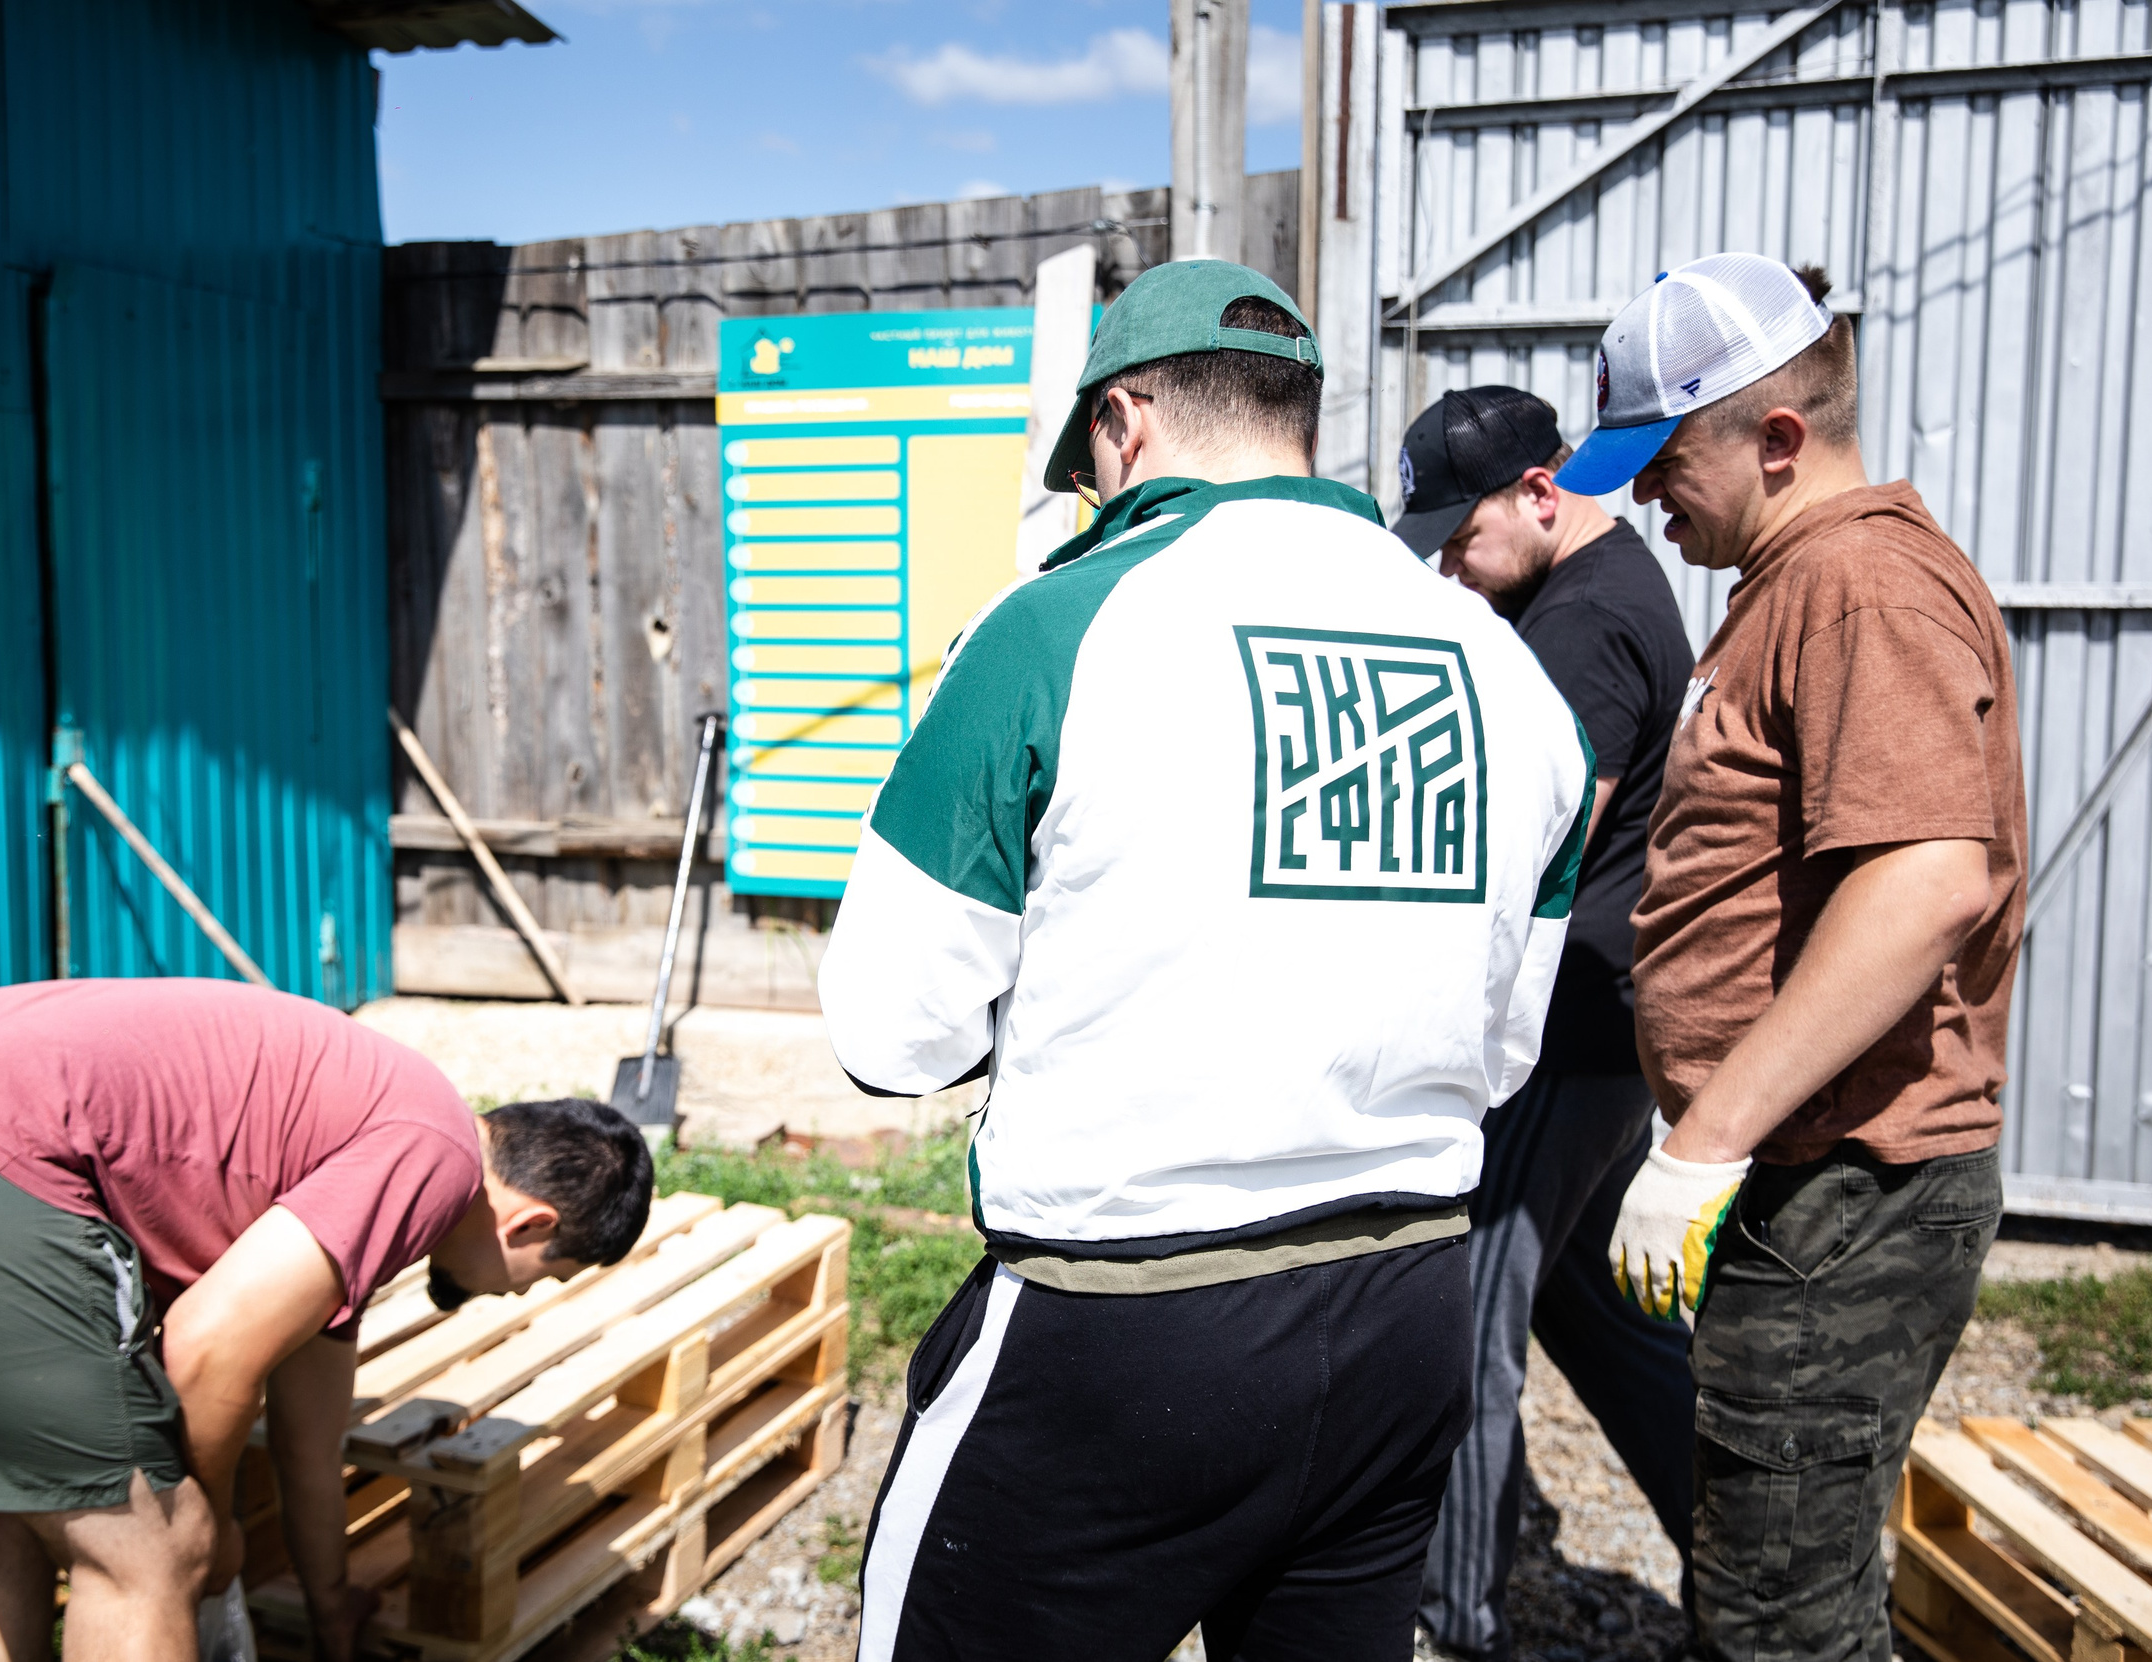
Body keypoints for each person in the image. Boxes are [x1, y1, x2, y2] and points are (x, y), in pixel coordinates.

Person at [820, 259, 1597, 1662]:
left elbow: (893, 1031)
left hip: (1122, 1319)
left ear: (1124, 421)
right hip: (1406, 1299)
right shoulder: (1511, 677)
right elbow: (1499, 1049)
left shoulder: (1052, 627)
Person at [1568, 255, 2023, 1658]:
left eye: (1665, 461)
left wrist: (1705, 1141)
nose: (1648, 499)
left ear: (1776, 437)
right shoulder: (1790, 581)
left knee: (1779, 1621)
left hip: (1849, 1182)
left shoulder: (1859, 587)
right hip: (1806, 1176)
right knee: (1779, 1584)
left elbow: (1926, 882)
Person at [0, 978, 653, 1662]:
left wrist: (330, 1603)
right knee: (153, 1552)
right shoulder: (432, 1155)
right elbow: (209, 1347)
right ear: (531, 1224)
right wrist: (207, 1529)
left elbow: (307, 1446)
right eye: (546, 1275)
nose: (517, 1295)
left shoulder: (372, 1140)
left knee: (20, 1504)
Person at [1390, 386, 1698, 1661]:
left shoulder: (1582, 622)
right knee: (1607, 1327)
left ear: (1539, 492)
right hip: (1598, 1032)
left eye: (1463, 537)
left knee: (1462, 1333)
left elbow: (1534, 842)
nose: (1452, 566)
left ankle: (1451, 1621)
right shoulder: (1585, 593)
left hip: (1559, 1037)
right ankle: (1749, 1565)